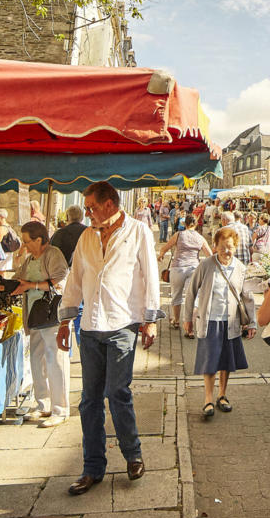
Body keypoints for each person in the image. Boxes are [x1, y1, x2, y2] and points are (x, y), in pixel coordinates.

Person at [57, 181, 162, 495]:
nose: (87, 212)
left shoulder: (138, 231)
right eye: (86, 208)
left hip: (122, 325)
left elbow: (150, 277)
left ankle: (132, 454)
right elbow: (75, 279)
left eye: (90, 207)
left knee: (117, 392)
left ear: (110, 204)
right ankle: (92, 468)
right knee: (89, 401)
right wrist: (65, 320)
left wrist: (150, 320)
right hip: (89, 327)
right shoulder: (87, 237)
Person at [184, 226, 256, 418]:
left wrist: (253, 322)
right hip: (210, 320)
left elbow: (247, 297)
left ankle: (222, 395)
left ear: (236, 247)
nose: (226, 251)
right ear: (215, 246)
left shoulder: (240, 268)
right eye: (223, 247)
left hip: (231, 321)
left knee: (226, 360)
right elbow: (191, 292)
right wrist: (187, 318)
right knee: (210, 361)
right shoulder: (206, 265)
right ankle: (208, 398)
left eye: (230, 247)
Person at [12, 221, 70, 428]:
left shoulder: (53, 254)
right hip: (35, 315)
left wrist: (32, 285)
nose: (25, 245)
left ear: (39, 239)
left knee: (55, 360)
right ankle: (42, 403)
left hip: (52, 314)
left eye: (27, 241)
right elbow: (18, 278)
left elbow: (61, 280)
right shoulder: (30, 259)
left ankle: (60, 409)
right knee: (37, 359)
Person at [157, 214, 211, 329]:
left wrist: (161, 255)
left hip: (177, 268)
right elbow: (209, 255)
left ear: (184, 224)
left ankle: (176, 321)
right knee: (192, 297)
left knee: (176, 295)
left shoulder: (179, 235)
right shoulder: (200, 238)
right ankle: (189, 326)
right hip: (194, 269)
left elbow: (165, 247)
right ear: (196, 224)